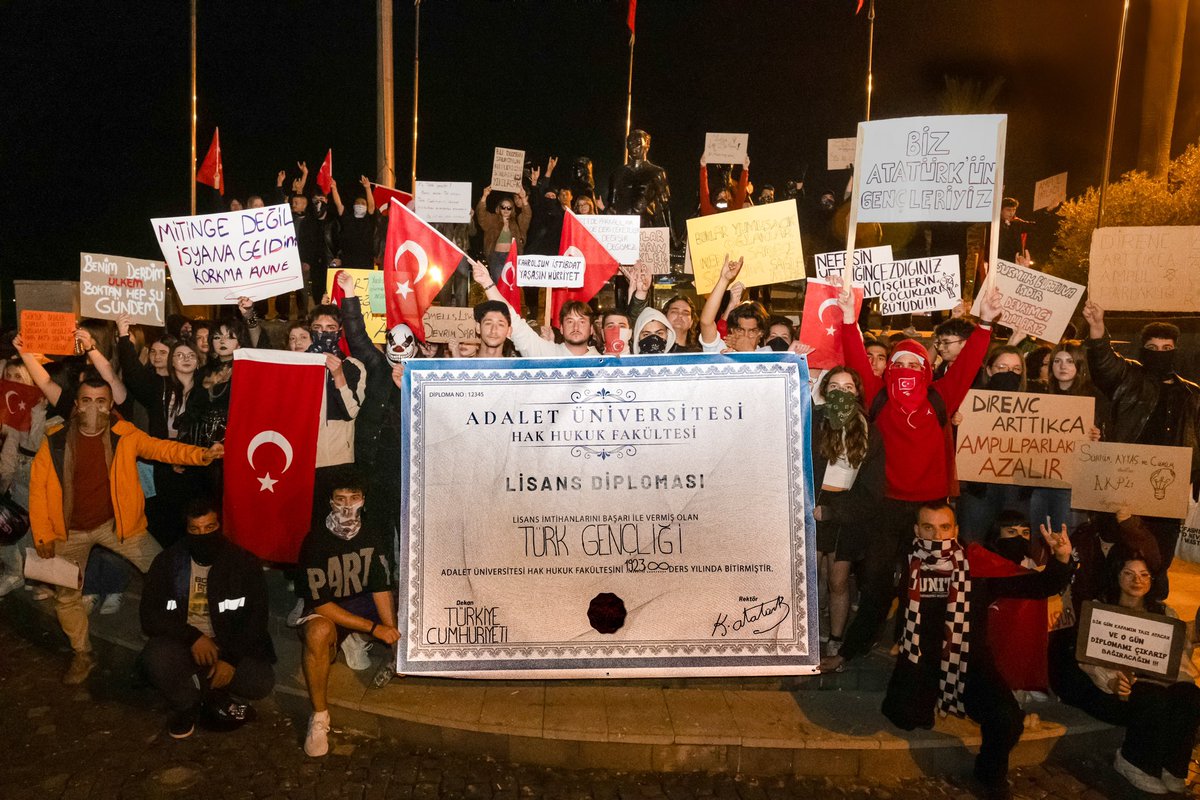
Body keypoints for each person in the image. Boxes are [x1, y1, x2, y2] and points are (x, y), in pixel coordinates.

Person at [825, 282, 1002, 668]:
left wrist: (985, 324)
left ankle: (917, 649)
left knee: (924, 586)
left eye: (913, 365)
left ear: (926, 370)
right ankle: (852, 649)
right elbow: (856, 359)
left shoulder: (941, 396)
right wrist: (849, 319)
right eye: (899, 364)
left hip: (930, 510)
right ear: (889, 369)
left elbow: (969, 364)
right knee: (875, 583)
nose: (905, 370)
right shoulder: (877, 395)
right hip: (886, 507)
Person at [28, 378, 224, 684]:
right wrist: (42, 535)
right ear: (76, 405)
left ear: (110, 405)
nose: (94, 406)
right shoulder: (54, 440)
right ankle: (82, 654)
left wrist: (201, 455)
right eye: (87, 400)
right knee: (66, 597)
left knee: (167, 572)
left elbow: (161, 448)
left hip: (117, 525)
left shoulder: (124, 435)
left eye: (101, 401)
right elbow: (38, 490)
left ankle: (187, 637)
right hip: (69, 532)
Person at [878, 502, 1075, 799]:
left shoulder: (977, 564)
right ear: (917, 530)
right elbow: (893, 604)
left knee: (1007, 720)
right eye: (928, 527)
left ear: (956, 530)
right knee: (904, 717)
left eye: (945, 527)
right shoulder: (906, 561)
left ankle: (989, 778)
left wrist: (1061, 559)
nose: (937, 534)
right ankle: (929, 698)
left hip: (969, 660)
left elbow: (1036, 586)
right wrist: (899, 637)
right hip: (920, 659)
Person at [1082, 299, 1200, 597]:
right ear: (1142, 350)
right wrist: (1097, 328)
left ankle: (1153, 618)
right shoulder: (1129, 378)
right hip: (1125, 483)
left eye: (1166, 349)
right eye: (1152, 348)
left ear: (1175, 350)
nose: (1159, 354)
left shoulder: (1192, 394)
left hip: (1167, 493)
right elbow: (1105, 364)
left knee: (1157, 561)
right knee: (1120, 556)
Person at [139, 498, 274, 739]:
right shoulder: (168, 562)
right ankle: (187, 704)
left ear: (220, 526)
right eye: (195, 529)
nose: (202, 535)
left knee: (260, 683)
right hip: (186, 642)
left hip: (227, 642)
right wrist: (193, 637)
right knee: (155, 658)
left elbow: (256, 619)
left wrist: (230, 659)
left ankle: (208, 685)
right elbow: (150, 615)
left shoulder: (243, 563)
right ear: (187, 530)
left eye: (209, 528)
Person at [1077, 546, 1200, 794]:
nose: (1137, 581)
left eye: (1144, 575)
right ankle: (1134, 761)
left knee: (1190, 696)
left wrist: (1181, 678)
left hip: (1159, 682)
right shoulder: (1102, 611)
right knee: (1151, 697)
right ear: (1116, 575)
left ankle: (1173, 765)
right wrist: (1111, 682)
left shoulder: (1164, 612)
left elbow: (1179, 654)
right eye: (1129, 574)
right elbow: (1091, 658)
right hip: (1121, 687)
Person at [297, 471, 398, 757]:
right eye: (340, 499)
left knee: (408, 617)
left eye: (353, 498)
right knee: (318, 635)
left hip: (362, 600)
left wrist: (392, 634)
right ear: (330, 502)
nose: (346, 505)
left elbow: (381, 588)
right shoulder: (316, 541)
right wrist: (373, 628)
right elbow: (323, 606)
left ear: (363, 501)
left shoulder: (373, 532)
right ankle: (319, 717)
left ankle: (355, 639)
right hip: (330, 608)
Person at [810, 367, 886, 655]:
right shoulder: (814, 422)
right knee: (812, 575)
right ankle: (810, 631)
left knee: (838, 580)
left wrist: (834, 512)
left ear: (857, 393)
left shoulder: (870, 431)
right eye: (835, 387)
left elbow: (872, 487)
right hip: (814, 506)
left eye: (848, 387)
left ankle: (836, 637)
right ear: (825, 392)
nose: (841, 392)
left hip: (847, 511)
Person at [473, 259, 598, 357]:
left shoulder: (606, 362)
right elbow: (513, 320)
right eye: (570, 321)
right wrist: (486, 282)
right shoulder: (546, 354)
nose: (576, 327)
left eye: (582, 322)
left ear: (592, 329)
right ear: (561, 328)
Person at [477, 185, 531, 284]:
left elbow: (527, 215)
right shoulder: (492, 220)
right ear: (499, 208)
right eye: (503, 207)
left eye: (509, 208)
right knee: (499, 283)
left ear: (512, 210)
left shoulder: (517, 222)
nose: (506, 210)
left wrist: (523, 198)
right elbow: (481, 215)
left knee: (511, 285)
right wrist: (484, 196)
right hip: (496, 257)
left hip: (512, 257)